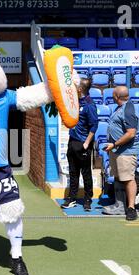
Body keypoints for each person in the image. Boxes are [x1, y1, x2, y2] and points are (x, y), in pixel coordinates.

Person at [102, 86, 139, 221]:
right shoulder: (120, 108)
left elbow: (131, 133)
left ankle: (131, 208)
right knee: (118, 177)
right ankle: (119, 205)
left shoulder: (128, 109)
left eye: (113, 94)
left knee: (128, 179)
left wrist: (115, 144)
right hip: (117, 151)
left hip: (126, 151)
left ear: (116, 96)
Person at [61, 78, 99, 211]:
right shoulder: (76, 101)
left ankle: (88, 199)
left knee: (86, 172)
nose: (74, 87)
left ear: (80, 89)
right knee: (73, 172)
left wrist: (87, 143)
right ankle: (72, 198)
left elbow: (94, 125)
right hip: (72, 141)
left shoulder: (89, 104)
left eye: (76, 85)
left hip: (83, 144)